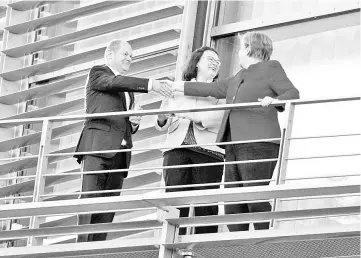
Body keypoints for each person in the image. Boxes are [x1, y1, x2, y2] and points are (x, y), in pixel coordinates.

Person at [170, 31, 300, 231]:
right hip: (233, 146)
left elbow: (292, 93)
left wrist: (275, 101)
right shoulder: (238, 77)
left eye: (240, 48)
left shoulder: (270, 68)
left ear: (249, 49)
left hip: (259, 143)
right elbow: (208, 89)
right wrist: (173, 86)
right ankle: (235, 247)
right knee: (232, 203)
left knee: (253, 196)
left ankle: (264, 241)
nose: (238, 53)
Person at [73, 39, 173, 242]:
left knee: (107, 209)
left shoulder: (128, 91)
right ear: (110, 55)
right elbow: (113, 82)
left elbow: (125, 123)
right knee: (90, 201)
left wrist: (134, 122)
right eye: (125, 54)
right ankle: (80, 250)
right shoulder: (98, 72)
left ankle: (94, 253)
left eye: (132, 56)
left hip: (120, 155)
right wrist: (150, 84)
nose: (130, 58)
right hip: (97, 148)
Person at [155, 47, 225, 235]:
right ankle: (172, 249)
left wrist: (184, 113)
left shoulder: (220, 92)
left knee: (206, 208)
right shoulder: (177, 87)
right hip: (176, 150)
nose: (215, 63)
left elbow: (215, 119)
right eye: (210, 59)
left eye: (218, 62)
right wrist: (162, 116)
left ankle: (202, 250)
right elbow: (162, 123)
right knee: (174, 203)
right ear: (197, 62)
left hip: (209, 152)